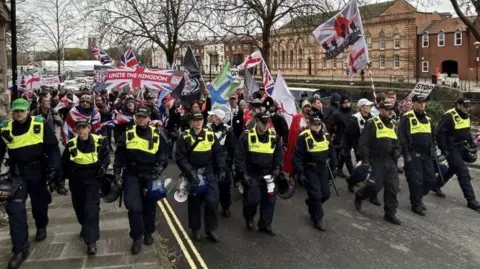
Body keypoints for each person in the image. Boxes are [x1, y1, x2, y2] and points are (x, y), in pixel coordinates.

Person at [0, 99, 61, 269]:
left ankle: (41, 225)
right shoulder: (5, 127)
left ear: (28, 111)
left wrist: (53, 170)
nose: (18, 114)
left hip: (37, 172)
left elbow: (53, 148)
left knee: (40, 204)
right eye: (15, 111)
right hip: (17, 175)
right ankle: (20, 249)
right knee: (15, 211)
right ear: (12, 112)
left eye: (21, 111)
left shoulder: (39, 124)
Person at [114, 105, 169, 254]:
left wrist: (160, 167)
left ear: (149, 118)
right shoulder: (127, 134)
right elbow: (119, 155)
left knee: (149, 207)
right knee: (134, 207)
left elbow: (164, 154)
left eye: (144, 117)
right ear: (135, 118)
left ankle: (148, 232)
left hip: (150, 175)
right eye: (139, 117)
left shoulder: (158, 134)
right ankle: (137, 237)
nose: (141, 120)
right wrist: (117, 173)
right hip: (132, 174)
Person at [59, 119, 110, 254]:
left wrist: (103, 167)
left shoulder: (100, 141)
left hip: (93, 181)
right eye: (79, 128)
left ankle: (91, 241)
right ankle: (85, 227)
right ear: (75, 130)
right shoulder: (71, 145)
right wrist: (59, 183)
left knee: (91, 210)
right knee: (80, 209)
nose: (81, 131)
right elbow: (63, 165)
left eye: (84, 128)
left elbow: (106, 157)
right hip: (76, 182)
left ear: (89, 128)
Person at [176, 112, 226, 242]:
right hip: (192, 171)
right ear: (191, 121)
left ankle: (211, 229)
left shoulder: (210, 135)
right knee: (194, 202)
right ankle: (195, 229)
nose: (198, 122)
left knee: (212, 201)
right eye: (195, 120)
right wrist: (190, 172)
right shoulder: (185, 136)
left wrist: (221, 169)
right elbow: (180, 158)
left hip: (208, 171)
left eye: (200, 120)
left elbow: (219, 154)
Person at [354, 101, 402, 225]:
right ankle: (360, 195)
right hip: (376, 160)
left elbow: (397, 142)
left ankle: (390, 214)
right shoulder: (372, 123)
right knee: (374, 186)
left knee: (393, 187)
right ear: (380, 110)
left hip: (390, 161)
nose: (390, 111)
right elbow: (363, 143)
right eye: (387, 109)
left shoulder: (393, 124)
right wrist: (365, 160)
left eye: (391, 109)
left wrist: (397, 151)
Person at [235, 112, 283, 235]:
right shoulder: (246, 135)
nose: (266, 125)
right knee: (252, 200)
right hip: (252, 173)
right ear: (257, 121)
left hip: (269, 174)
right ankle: (249, 217)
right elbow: (240, 156)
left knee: (269, 200)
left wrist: (278, 168)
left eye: (267, 122)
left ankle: (265, 224)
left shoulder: (274, 135)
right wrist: (242, 173)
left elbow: (278, 154)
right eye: (263, 123)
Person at [434, 97, 480, 211]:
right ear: (458, 105)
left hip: (461, 146)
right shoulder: (449, 116)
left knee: (453, 169)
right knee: (463, 171)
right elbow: (439, 134)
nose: (466, 108)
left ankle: (436, 184)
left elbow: (466, 131)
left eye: (468, 106)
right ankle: (471, 200)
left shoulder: (466, 114)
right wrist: (444, 149)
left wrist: (472, 143)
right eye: (464, 106)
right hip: (451, 147)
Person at [293, 114, 336, 231]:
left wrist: (334, 166)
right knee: (316, 195)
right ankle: (318, 218)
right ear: (309, 125)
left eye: (318, 124)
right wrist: (300, 173)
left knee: (326, 194)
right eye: (314, 124)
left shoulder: (326, 136)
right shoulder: (303, 137)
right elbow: (297, 156)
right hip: (310, 169)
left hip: (323, 169)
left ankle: (311, 202)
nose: (316, 127)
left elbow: (332, 152)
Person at [397, 94, 436, 216]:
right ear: (413, 103)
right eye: (419, 102)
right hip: (413, 154)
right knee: (416, 181)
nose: (422, 104)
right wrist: (406, 154)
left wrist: (434, 149)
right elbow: (401, 138)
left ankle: (418, 197)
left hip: (427, 154)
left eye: (424, 102)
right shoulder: (407, 118)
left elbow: (432, 136)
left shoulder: (428, 119)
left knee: (431, 180)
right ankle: (416, 203)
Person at [341, 98, 379, 206]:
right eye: (367, 106)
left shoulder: (373, 118)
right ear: (361, 107)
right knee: (364, 172)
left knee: (375, 171)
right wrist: (345, 148)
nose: (370, 107)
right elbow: (347, 135)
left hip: (372, 148)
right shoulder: (354, 119)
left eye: (370, 106)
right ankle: (352, 180)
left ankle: (372, 194)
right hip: (360, 148)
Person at [207, 109, 236, 217]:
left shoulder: (228, 130)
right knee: (209, 185)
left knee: (225, 186)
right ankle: (209, 205)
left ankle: (225, 206)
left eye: (213, 116)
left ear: (218, 119)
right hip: (210, 161)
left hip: (223, 163)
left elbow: (232, 147)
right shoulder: (207, 128)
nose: (211, 118)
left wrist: (229, 161)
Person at [283, 99, 311, 176]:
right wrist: (302, 129)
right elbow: (293, 130)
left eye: (309, 107)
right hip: (298, 141)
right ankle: (293, 175)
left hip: (307, 142)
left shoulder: (311, 118)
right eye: (306, 107)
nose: (307, 109)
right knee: (295, 158)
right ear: (302, 108)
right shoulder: (297, 117)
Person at [329, 95, 354, 178]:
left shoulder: (353, 112)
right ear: (341, 103)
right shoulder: (337, 113)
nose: (347, 104)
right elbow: (330, 125)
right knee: (340, 155)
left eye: (348, 102)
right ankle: (335, 170)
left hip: (351, 137)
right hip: (340, 137)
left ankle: (339, 169)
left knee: (344, 155)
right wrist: (333, 133)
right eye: (345, 103)